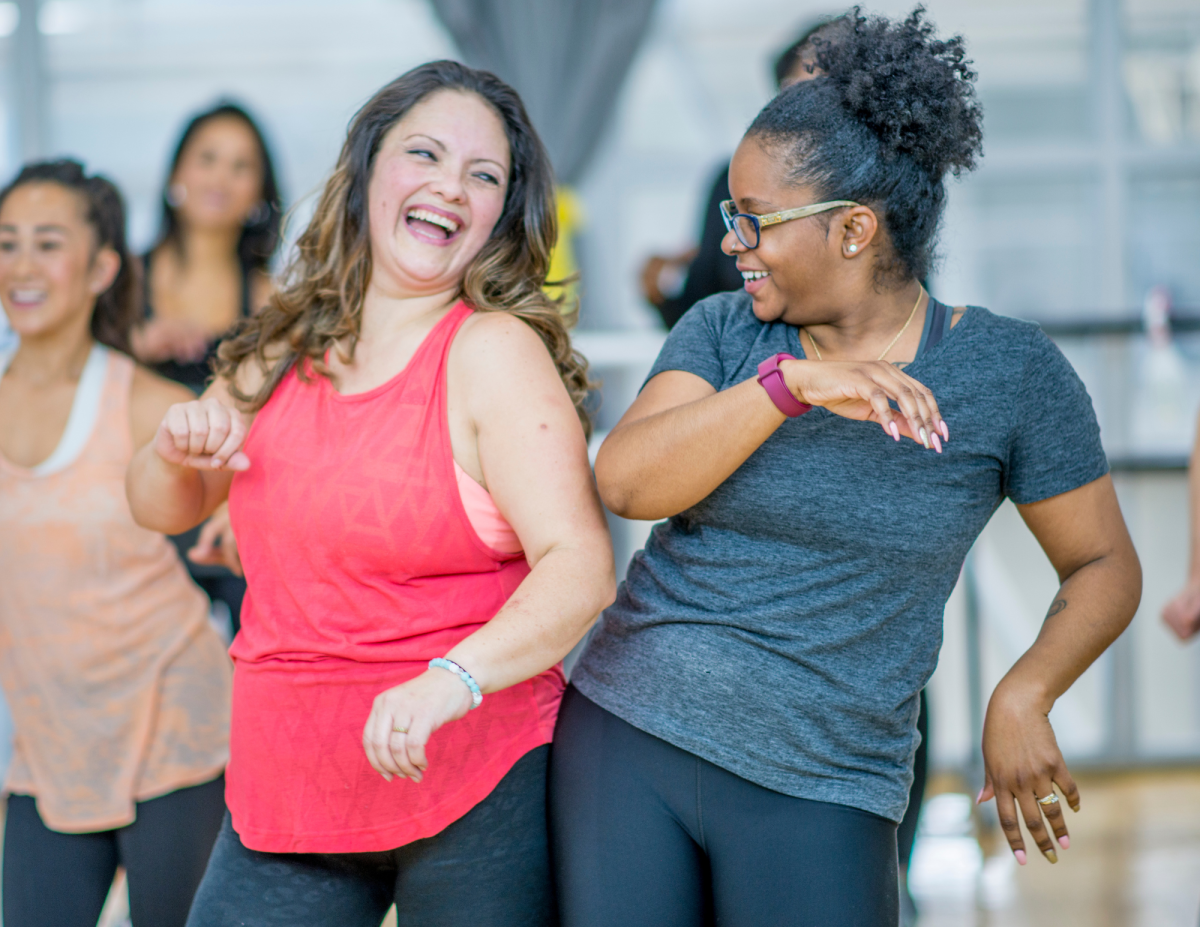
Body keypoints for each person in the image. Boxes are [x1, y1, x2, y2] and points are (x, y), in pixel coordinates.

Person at [550, 9, 1142, 927]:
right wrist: (788, 386)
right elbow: (626, 480)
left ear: (856, 229)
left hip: (830, 774)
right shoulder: (722, 332)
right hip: (631, 731)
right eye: (729, 218)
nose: (734, 242)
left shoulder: (1010, 374)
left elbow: (1104, 565)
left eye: (755, 221)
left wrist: (1025, 691)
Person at [126, 61, 615, 927]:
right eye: (424, 154)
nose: (449, 188)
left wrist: (452, 679)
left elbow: (578, 565)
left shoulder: (492, 350)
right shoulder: (283, 340)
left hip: (472, 768)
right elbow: (163, 505)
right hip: (290, 779)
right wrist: (173, 448)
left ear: (504, 213)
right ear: (367, 171)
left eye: (484, 175)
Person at [0, 160, 231, 927]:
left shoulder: (146, 403)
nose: (21, 266)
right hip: (49, 744)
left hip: (174, 725)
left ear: (102, 266)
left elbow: (257, 500)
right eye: (7, 243)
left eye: (46, 243)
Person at [132, 102, 284, 636]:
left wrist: (239, 508)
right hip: (138, 509)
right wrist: (136, 343)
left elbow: (283, 419)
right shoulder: (123, 282)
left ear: (259, 193)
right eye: (209, 158)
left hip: (229, 515)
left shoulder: (270, 297)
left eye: (241, 166)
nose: (221, 177)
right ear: (177, 172)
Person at [639, 16, 849, 329]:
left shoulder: (881, 187)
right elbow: (700, 305)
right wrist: (658, 292)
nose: (733, 244)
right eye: (790, 90)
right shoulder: (731, 180)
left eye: (820, 90)